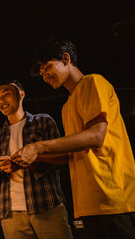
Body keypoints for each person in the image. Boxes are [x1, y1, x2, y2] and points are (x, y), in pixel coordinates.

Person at [12, 37, 135, 239]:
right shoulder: (67, 106)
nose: (45, 76)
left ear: (66, 59)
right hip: (87, 205)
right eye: (41, 73)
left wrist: (38, 147)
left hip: (114, 197)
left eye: (47, 68)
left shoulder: (93, 82)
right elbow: (70, 154)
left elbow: (96, 136)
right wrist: (29, 159)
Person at [0, 80, 73, 239]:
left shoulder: (43, 122)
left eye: (6, 94)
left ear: (21, 94)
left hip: (47, 205)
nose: (1, 100)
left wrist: (25, 164)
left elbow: (62, 159)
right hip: (11, 214)